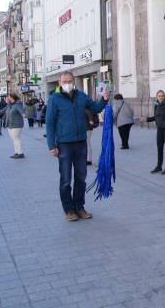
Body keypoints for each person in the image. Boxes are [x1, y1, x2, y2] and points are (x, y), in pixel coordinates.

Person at [46, 71, 110, 221]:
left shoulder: (81, 96)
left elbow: (94, 108)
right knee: (66, 179)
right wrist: (51, 146)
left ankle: (79, 207)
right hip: (64, 144)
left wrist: (104, 100)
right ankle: (69, 210)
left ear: (73, 81)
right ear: (60, 83)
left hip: (81, 142)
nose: (67, 83)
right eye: (64, 81)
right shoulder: (54, 99)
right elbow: (50, 124)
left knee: (81, 177)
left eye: (69, 81)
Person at [142, 90, 165, 175]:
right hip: (160, 129)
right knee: (159, 148)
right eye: (159, 96)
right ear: (157, 97)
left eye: (162, 95)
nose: (161, 97)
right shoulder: (157, 105)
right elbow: (156, 117)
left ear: (164, 96)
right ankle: (159, 166)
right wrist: (146, 119)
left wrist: (162, 124)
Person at [0, 94, 25, 158]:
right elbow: (3, 110)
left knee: (16, 138)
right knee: (14, 139)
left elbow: (22, 112)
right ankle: (16, 152)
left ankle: (20, 153)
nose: (8, 99)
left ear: (13, 98)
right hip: (10, 124)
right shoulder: (9, 105)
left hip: (17, 124)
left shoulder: (18, 104)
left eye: (9, 98)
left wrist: (24, 115)